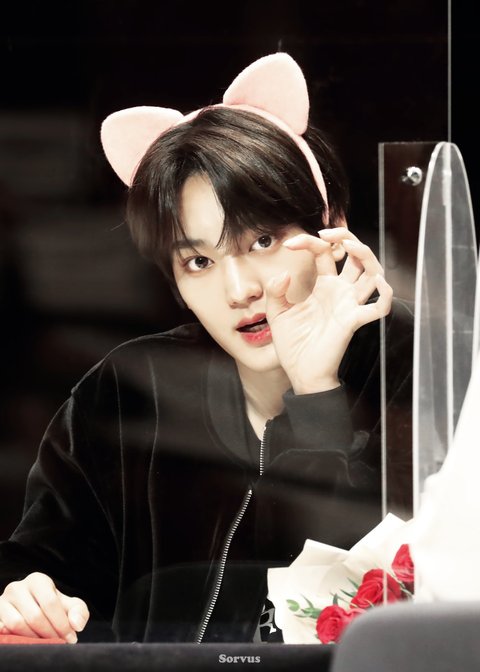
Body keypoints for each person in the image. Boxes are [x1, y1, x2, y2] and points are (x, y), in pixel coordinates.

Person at [0, 52, 412, 644]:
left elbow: (348, 614)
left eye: (263, 240)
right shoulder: (126, 389)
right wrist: (24, 596)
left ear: (333, 228)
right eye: (198, 261)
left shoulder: (419, 372)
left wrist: (316, 396)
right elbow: (41, 567)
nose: (239, 290)